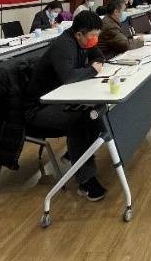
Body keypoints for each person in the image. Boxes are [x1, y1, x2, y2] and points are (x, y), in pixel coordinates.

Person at [25, 11, 108, 201]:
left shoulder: (84, 41)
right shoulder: (64, 45)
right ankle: (86, 181)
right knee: (80, 120)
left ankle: (75, 154)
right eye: (92, 36)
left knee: (96, 112)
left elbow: (99, 57)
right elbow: (68, 77)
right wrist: (91, 70)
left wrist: (92, 66)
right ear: (78, 34)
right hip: (38, 108)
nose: (95, 40)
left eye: (97, 35)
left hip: (60, 99)